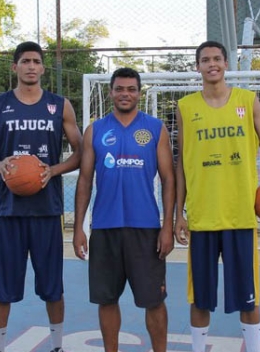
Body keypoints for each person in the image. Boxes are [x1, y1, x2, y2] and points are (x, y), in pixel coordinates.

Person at [174, 41, 260, 352]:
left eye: (217, 58)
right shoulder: (185, 107)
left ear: (226, 63)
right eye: (205, 60)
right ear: (198, 67)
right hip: (203, 217)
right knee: (200, 298)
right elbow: (182, 163)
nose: (211, 64)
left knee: (249, 295)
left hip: (240, 215)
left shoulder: (248, 100)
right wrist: (179, 213)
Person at [0, 41, 83, 352]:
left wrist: (52, 171)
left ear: (43, 68)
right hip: (10, 211)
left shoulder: (60, 105)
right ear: (14, 67)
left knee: (53, 288)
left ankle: (57, 346)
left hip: (47, 210)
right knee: (2, 289)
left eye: (36, 61)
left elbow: (82, 153)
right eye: (25, 61)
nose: (31, 66)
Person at [72, 67, 175, 352]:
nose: (125, 94)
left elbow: (168, 179)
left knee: (154, 300)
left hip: (146, 228)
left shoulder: (155, 128)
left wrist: (167, 226)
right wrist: (78, 227)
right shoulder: (96, 129)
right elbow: (85, 179)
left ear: (139, 93)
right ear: (111, 92)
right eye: (120, 88)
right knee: (107, 299)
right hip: (104, 227)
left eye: (131, 89)